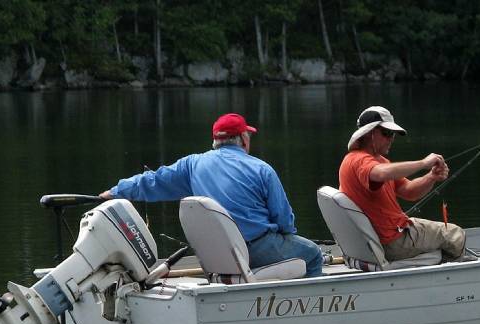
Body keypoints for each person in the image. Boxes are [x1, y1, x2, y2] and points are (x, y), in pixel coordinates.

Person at [99, 113, 323, 277]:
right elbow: (284, 221)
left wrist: (116, 192)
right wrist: (288, 239)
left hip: (214, 254)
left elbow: (153, 181)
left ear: (215, 140)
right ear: (244, 139)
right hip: (255, 249)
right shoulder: (261, 169)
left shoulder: (192, 165)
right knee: (312, 254)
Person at [339, 105, 468, 262]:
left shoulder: (378, 161)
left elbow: (409, 191)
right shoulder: (359, 160)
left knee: (443, 234)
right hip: (393, 241)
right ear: (369, 134)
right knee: (455, 234)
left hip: (392, 236)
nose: (391, 138)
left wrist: (432, 176)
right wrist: (423, 163)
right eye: (386, 133)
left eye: (393, 134)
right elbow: (381, 173)